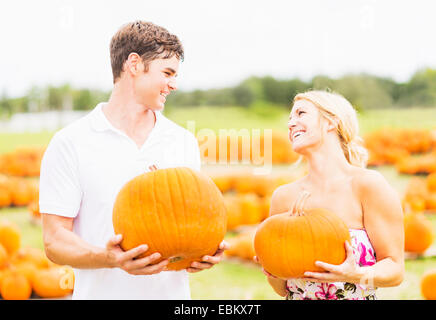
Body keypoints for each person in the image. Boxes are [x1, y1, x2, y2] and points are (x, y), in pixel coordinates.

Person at [39, 20, 228, 300]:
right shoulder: (70, 143)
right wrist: (109, 258)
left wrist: (201, 252)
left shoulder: (182, 141)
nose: (173, 84)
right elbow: (54, 241)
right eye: (167, 72)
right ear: (135, 64)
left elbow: (188, 226)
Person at [260, 90, 404, 300]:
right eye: (290, 118)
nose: (291, 124)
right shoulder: (283, 197)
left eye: (300, 114)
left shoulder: (367, 185)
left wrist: (357, 275)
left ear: (331, 122)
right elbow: (282, 289)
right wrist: (272, 271)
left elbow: (395, 269)